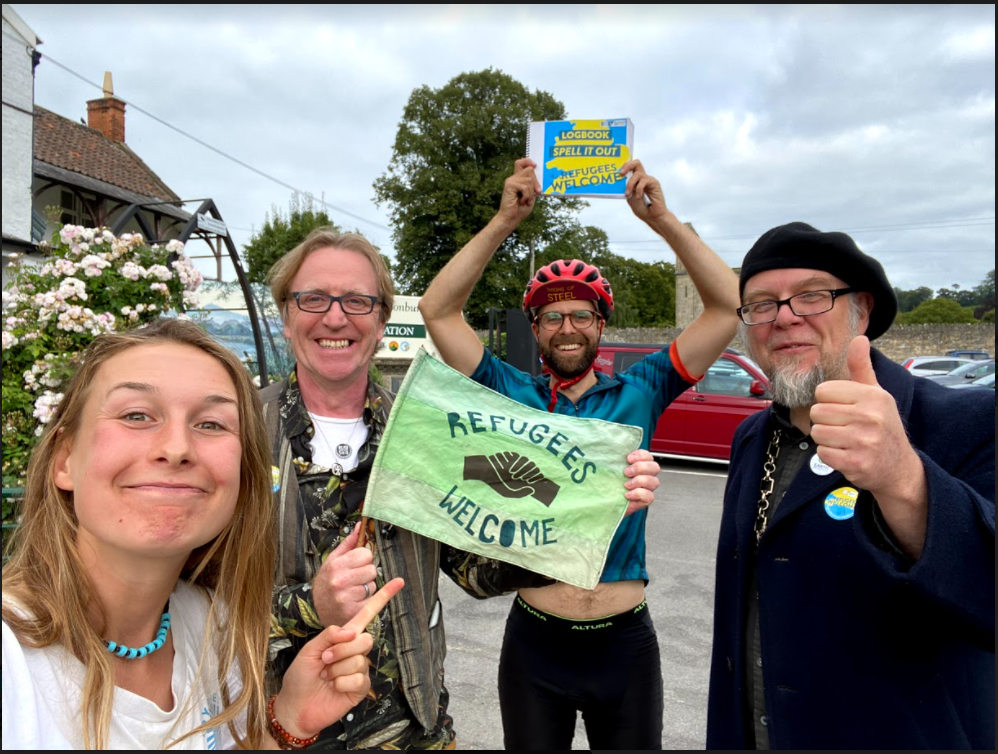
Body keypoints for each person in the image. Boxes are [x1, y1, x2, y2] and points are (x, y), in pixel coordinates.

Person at [262, 229, 663, 749]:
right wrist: (313, 604)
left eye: (357, 301)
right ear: (285, 312)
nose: (336, 317)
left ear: (381, 319)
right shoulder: (239, 431)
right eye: (313, 298)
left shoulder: (420, 425)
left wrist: (590, 508)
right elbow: (187, 605)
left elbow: (472, 567)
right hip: (280, 732)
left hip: (417, 733)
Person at [418, 158, 741, 749]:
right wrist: (503, 220)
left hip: (625, 643)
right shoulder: (508, 392)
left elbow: (725, 309)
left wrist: (663, 220)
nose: (568, 326)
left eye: (582, 314)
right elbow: (437, 310)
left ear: (600, 324)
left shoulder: (640, 390)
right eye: (552, 316)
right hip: (535, 642)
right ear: (535, 328)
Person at [1, 318, 401, 750]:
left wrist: (287, 719)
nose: (176, 448)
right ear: (64, 459)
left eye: (211, 424)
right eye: (136, 415)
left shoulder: (212, 626)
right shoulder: (12, 662)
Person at [706, 222, 995, 749]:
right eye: (762, 304)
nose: (785, 317)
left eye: (812, 296)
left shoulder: (969, 422)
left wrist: (905, 479)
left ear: (861, 309)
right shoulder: (752, 438)